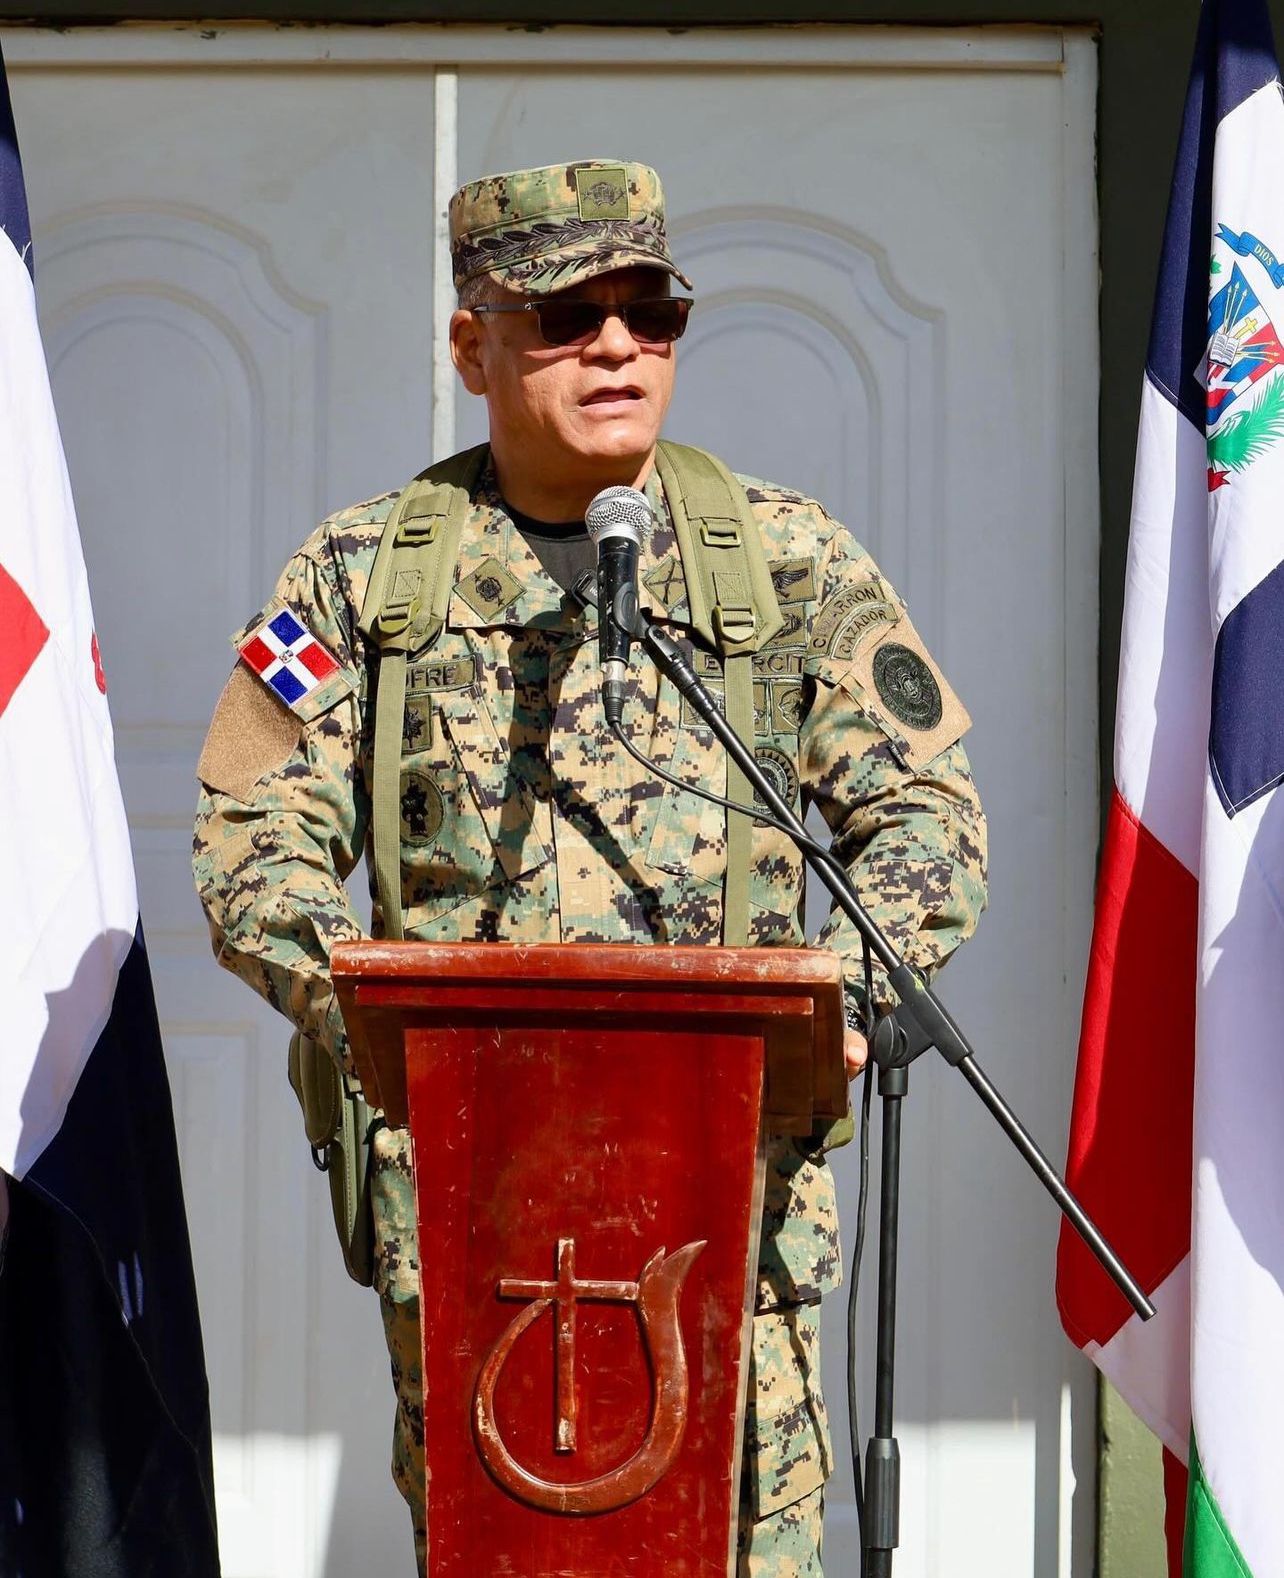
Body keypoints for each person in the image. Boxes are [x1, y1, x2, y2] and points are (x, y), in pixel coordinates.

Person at [193, 158, 987, 1575]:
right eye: (566, 315)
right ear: (470, 347)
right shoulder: (363, 576)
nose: (617, 345)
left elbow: (927, 825)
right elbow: (253, 843)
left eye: (650, 308)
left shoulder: (784, 565)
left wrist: (841, 1012)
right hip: (480, 1208)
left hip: (730, 1221)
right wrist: (385, 1019)